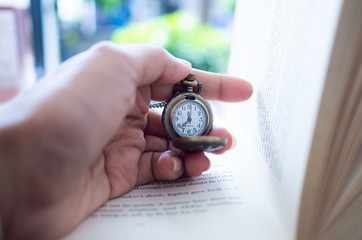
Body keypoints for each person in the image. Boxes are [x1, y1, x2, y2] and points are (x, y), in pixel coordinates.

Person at [0, 42, 253, 239]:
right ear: (170, 114)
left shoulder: (177, 109)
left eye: (192, 121)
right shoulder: (167, 103)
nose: (187, 123)